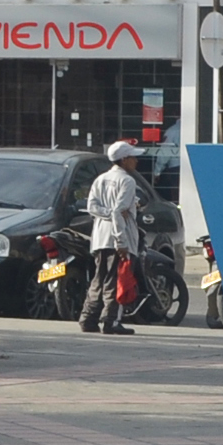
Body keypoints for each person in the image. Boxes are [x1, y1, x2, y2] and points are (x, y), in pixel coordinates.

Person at [81, 141, 145, 335]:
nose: (136, 161)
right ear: (124, 160)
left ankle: (88, 318)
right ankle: (111, 321)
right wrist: (121, 241)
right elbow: (118, 211)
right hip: (120, 237)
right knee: (117, 280)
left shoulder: (101, 179)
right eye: (133, 157)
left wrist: (110, 212)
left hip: (101, 237)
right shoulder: (127, 181)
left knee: (99, 279)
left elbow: (92, 207)